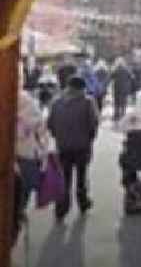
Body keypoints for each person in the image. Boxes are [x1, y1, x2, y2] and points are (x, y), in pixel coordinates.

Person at [47, 76, 100, 221]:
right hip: (82, 146)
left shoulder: (56, 102)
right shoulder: (88, 102)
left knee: (64, 178)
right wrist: (90, 138)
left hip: (63, 146)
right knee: (82, 177)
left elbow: (50, 124)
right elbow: (93, 123)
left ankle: (61, 209)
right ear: (82, 88)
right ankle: (83, 202)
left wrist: (58, 136)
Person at [15, 91, 49, 219]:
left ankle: (18, 209)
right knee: (26, 186)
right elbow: (42, 133)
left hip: (22, 154)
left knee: (23, 185)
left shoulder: (25, 115)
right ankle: (20, 209)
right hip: (28, 155)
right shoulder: (34, 112)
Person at [111, 57, 134, 122]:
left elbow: (111, 77)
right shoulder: (127, 70)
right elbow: (132, 77)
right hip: (124, 89)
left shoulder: (115, 70)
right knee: (123, 102)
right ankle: (123, 115)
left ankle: (116, 115)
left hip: (117, 88)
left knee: (116, 102)